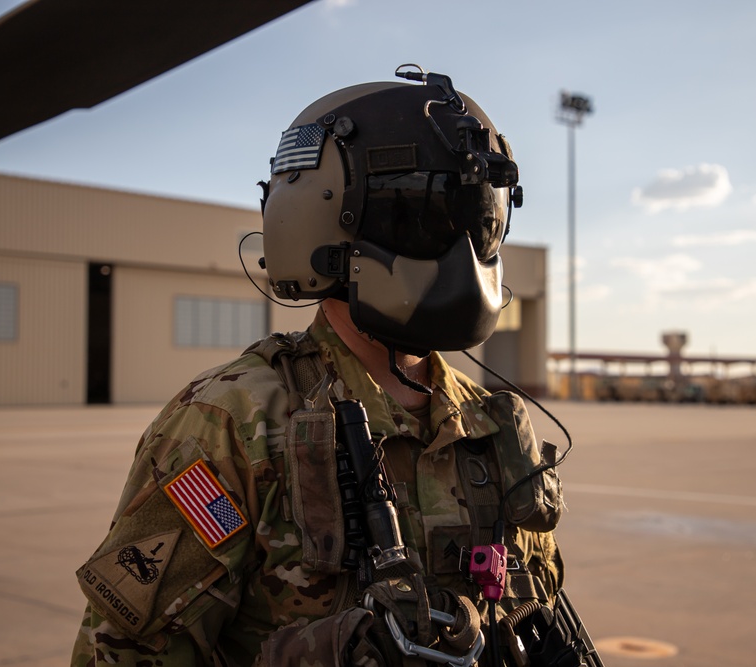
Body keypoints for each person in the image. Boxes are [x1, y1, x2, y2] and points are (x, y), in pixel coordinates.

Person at [72, 66, 598, 667]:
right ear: (322, 224)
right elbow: (123, 653)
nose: (463, 252)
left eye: (479, 223)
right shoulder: (237, 425)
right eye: (424, 217)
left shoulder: (492, 429)